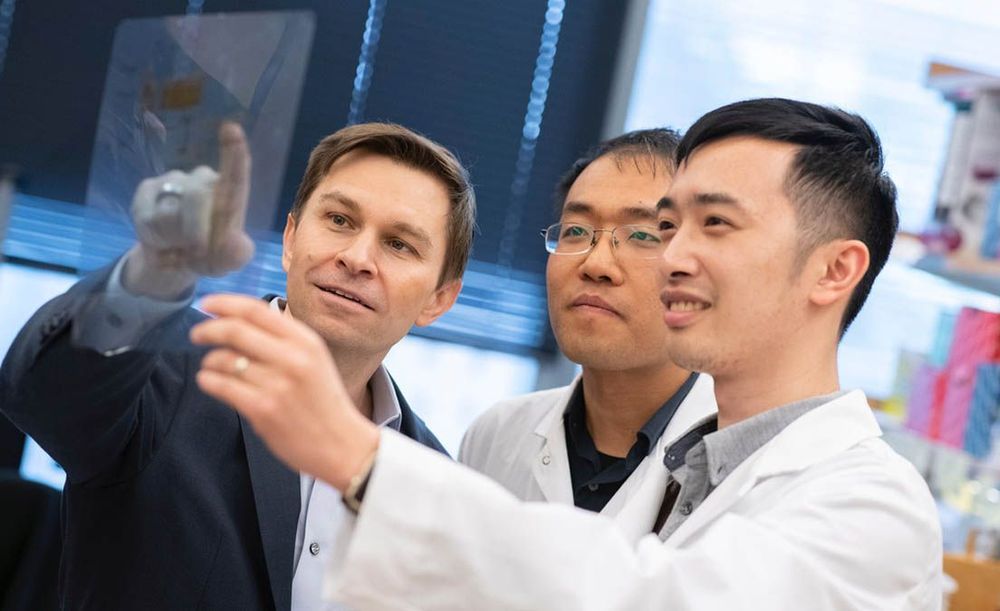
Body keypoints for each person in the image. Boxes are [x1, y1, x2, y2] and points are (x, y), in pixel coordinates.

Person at [192, 99, 942, 609]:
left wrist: (363, 460)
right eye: (670, 227)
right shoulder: (686, 466)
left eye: (714, 224)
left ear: (834, 270)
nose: (672, 256)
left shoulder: (876, 508)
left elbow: (654, 597)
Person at [0, 121, 476, 610]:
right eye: (339, 220)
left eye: (399, 244)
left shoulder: (435, 486)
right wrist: (154, 272)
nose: (356, 258)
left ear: (439, 299)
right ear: (291, 238)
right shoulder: (162, 361)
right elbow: (41, 393)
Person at [459, 129, 716, 535]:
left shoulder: (743, 466)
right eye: (576, 231)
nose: (596, 264)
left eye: (643, 236)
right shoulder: (495, 437)